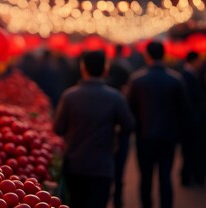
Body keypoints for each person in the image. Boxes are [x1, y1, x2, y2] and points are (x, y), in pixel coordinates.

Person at [54, 51, 134, 208]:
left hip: (75, 164)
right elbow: (129, 125)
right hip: (102, 165)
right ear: (105, 69)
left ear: (83, 68)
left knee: (76, 202)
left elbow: (58, 128)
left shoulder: (69, 96)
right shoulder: (115, 97)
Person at [127, 41, 189, 208]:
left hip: (144, 137)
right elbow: (183, 111)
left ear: (147, 55)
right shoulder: (175, 80)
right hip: (168, 136)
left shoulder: (137, 80)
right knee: (165, 177)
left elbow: (130, 110)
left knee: (146, 177)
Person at [106, 44, 134, 208]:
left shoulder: (105, 93)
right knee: (119, 169)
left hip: (104, 140)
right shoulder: (120, 97)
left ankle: (111, 195)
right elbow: (129, 123)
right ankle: (118, 198)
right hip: (120, 138)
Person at [179, 51, 205, 186]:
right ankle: (189, 176)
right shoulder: (186, 77)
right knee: (190, 151)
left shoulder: (191, 75)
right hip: (191, 122)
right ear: (193, 61)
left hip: (192, 122)